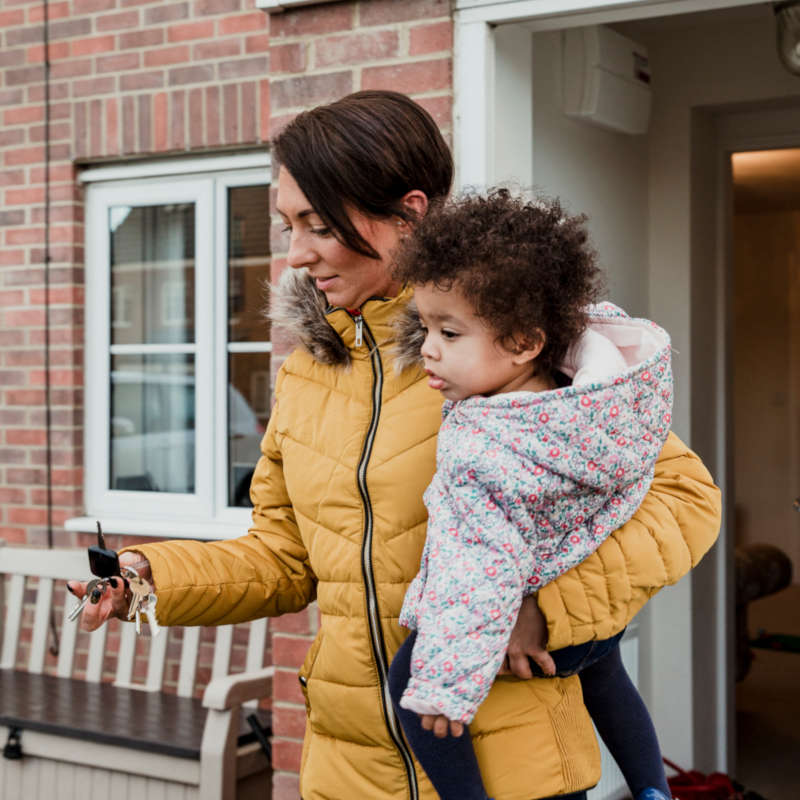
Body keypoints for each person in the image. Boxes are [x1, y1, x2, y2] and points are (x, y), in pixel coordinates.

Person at [68, 90, 721, 800]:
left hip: (515, 770)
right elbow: (285, 556)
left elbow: (684, 500)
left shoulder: (504, 349)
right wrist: (146, 577)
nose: (297, 254)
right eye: (288, 225)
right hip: (351, 773)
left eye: (318, 225)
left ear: (409, 213)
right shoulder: (305, 375)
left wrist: (548, 609)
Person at [385, 189, 673, 800]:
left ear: (523, 342)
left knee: (408, 680)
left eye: (449, 332)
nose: (428, 348)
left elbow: (478, 563)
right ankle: (652, 788)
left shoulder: (484, 444)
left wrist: (448, 682)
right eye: (424, 327)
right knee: (607, 676)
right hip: (593, 628)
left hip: (525, 627)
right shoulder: (597, 405)